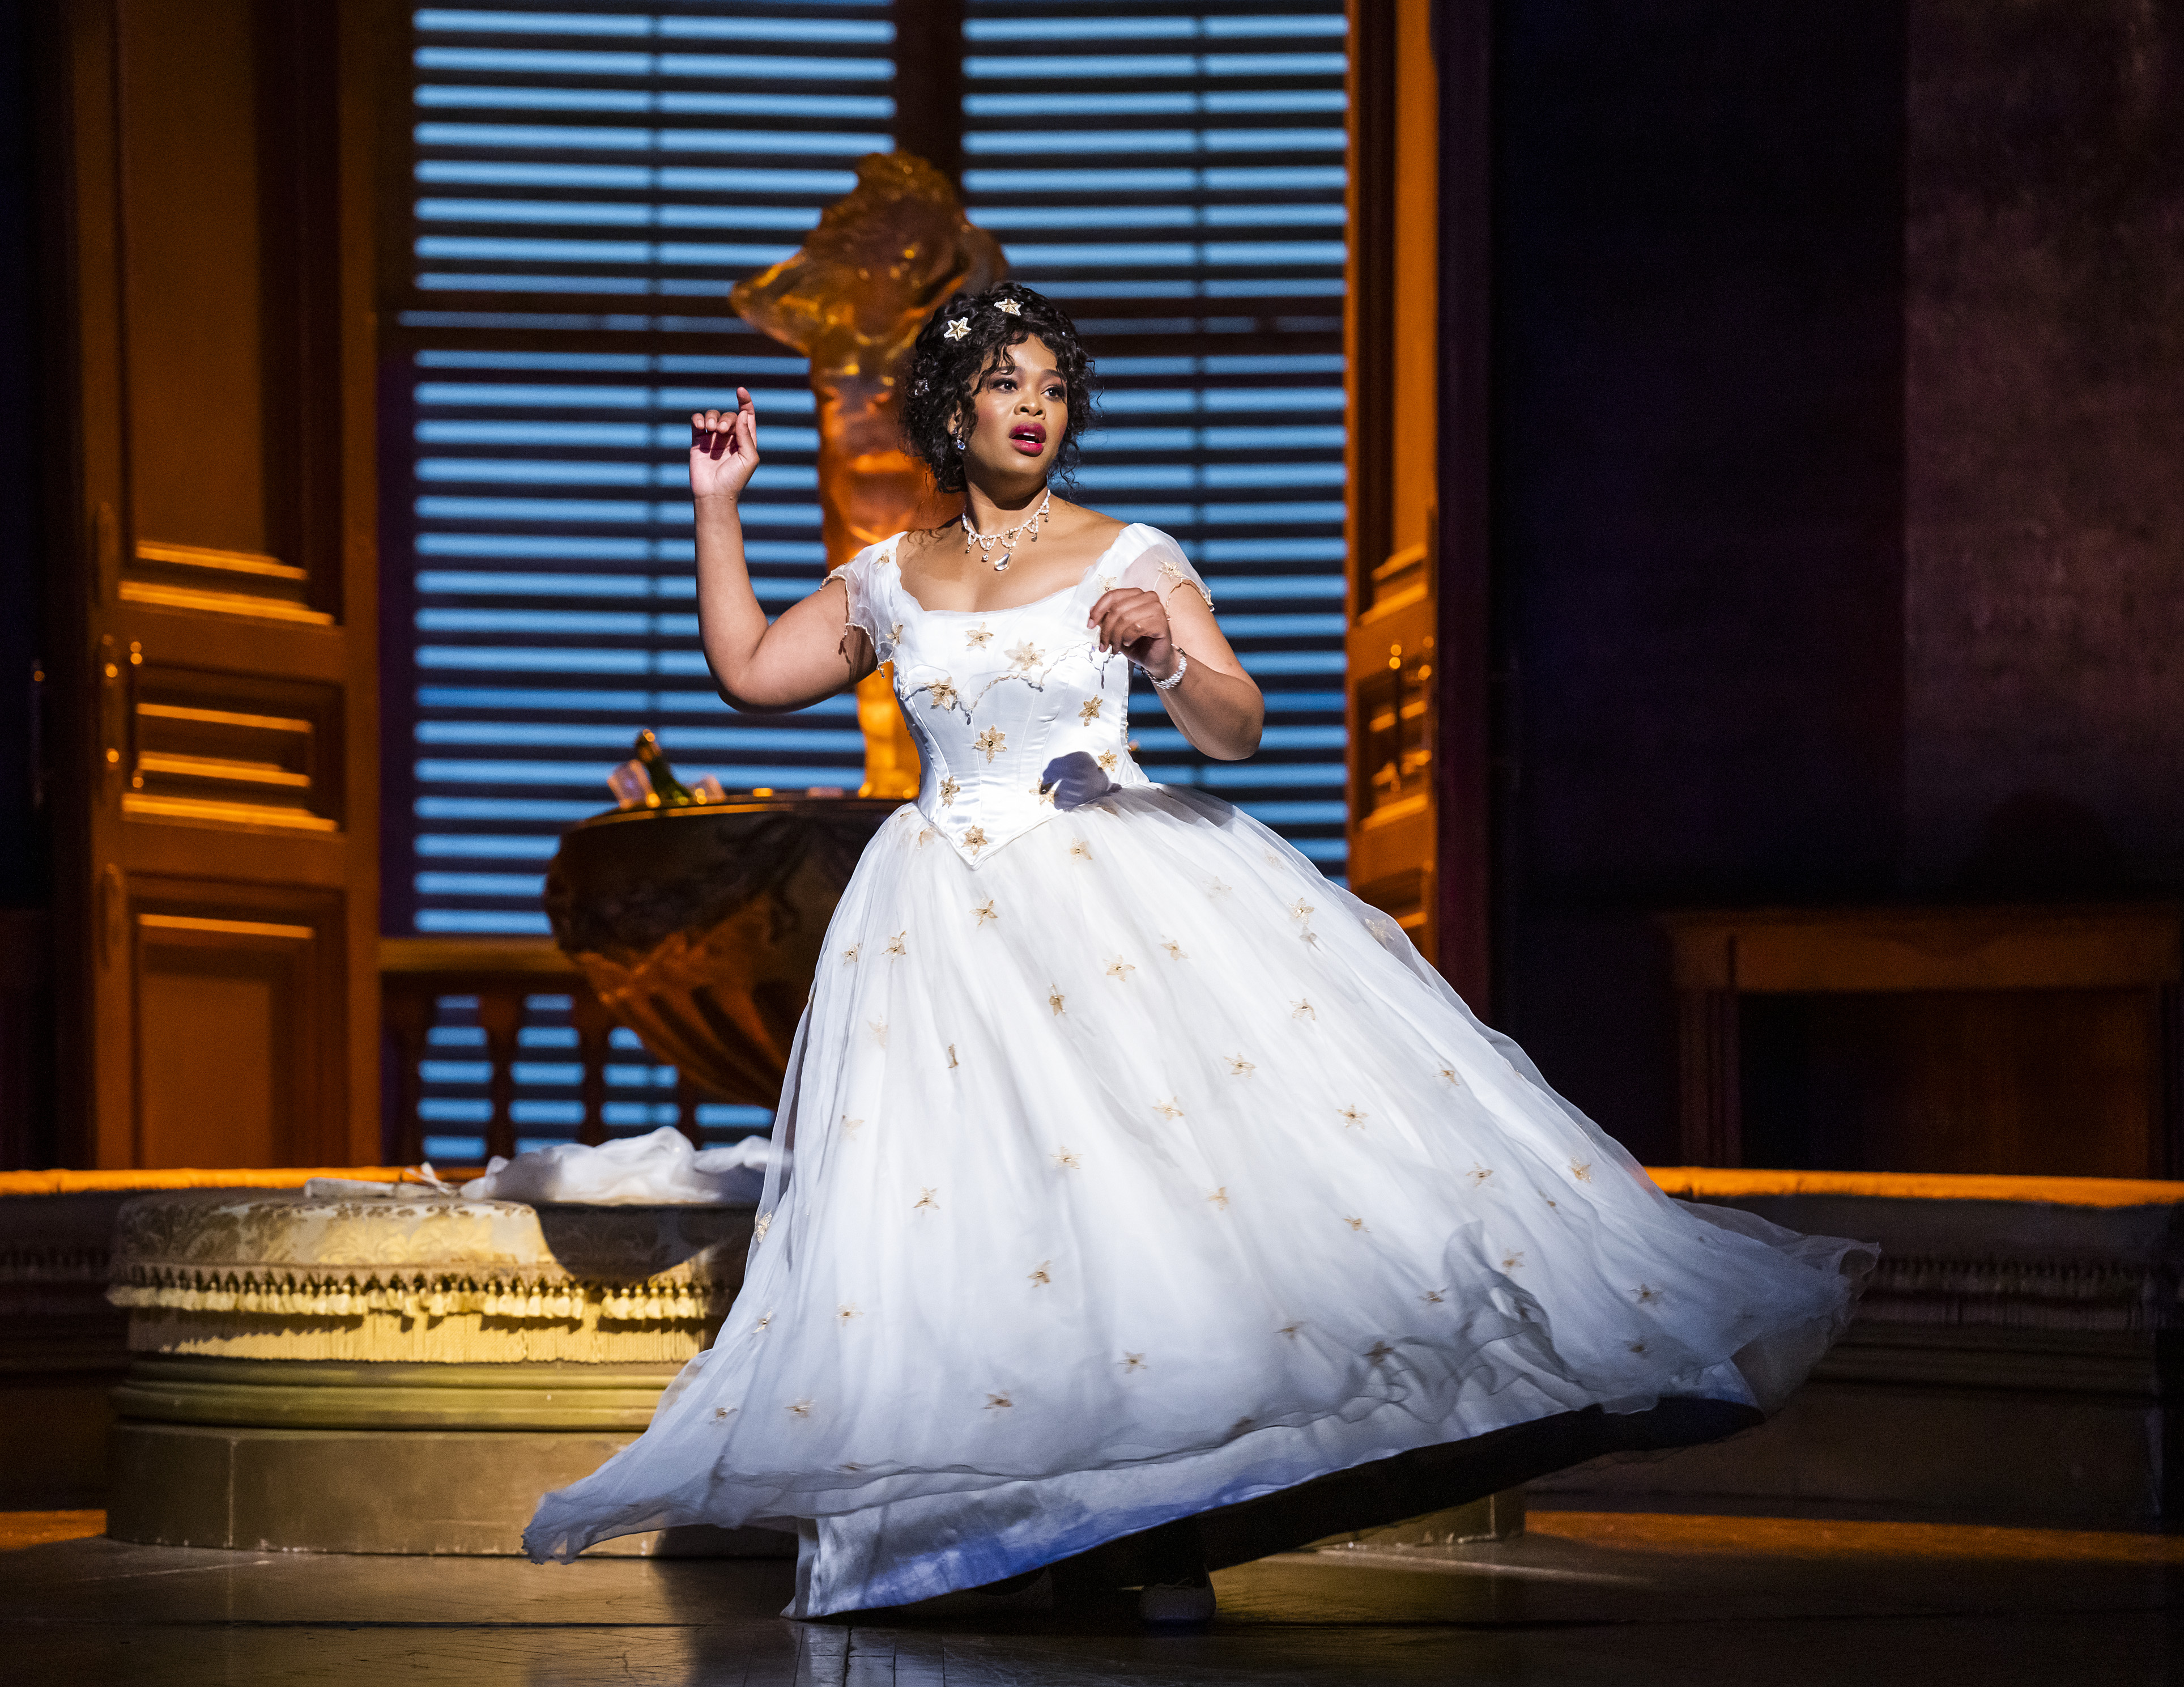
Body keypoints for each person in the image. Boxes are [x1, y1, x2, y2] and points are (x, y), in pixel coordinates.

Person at [523, 282, 1872, 1624]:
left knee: (1144, 1213)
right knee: (987, 1223)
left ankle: (1158, 1525)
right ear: (952, 406)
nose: (1035, 407)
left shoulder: (1129, 552)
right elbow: (751, 673)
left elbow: (1236, 728)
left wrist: (1169, 652)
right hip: (938, 917)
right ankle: (1006, 1525)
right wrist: (717, 506)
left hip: (1107, 897)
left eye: (1053, 385)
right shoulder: (890, 572)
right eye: (1008, 383)